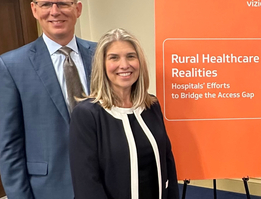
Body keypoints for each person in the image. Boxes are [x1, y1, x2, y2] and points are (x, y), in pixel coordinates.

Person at [0, 0, 96, 198]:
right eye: (45, 4)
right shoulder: (10, 66)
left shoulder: (102, 56)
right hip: (49, 189)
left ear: (77, 9)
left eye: (62, 3)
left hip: (104, 184)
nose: (54, 11)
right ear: (34, 9)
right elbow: (9, 146)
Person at [69, 28, 179, 199]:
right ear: (102, 65)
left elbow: (168, 163)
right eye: (114, 57)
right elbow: (87, 185)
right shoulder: (87, 115)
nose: (124, 65)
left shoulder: (151, 105)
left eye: (130, 56)